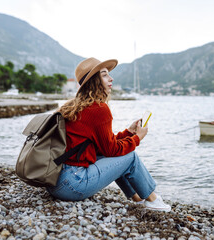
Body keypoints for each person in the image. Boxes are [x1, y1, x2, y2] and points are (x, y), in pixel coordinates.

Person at [47, 57, 171, 212]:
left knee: (115, 156)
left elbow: (105, 145)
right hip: (72, 185)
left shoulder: (74, 106)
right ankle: (153, 200)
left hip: (55, 182)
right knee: (130, 157)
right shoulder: (99, 109)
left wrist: (129, 132)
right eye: (105, 75)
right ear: (94, 81)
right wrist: (138, 138)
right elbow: (111, 150)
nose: (111, 78)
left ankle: (137, 198)